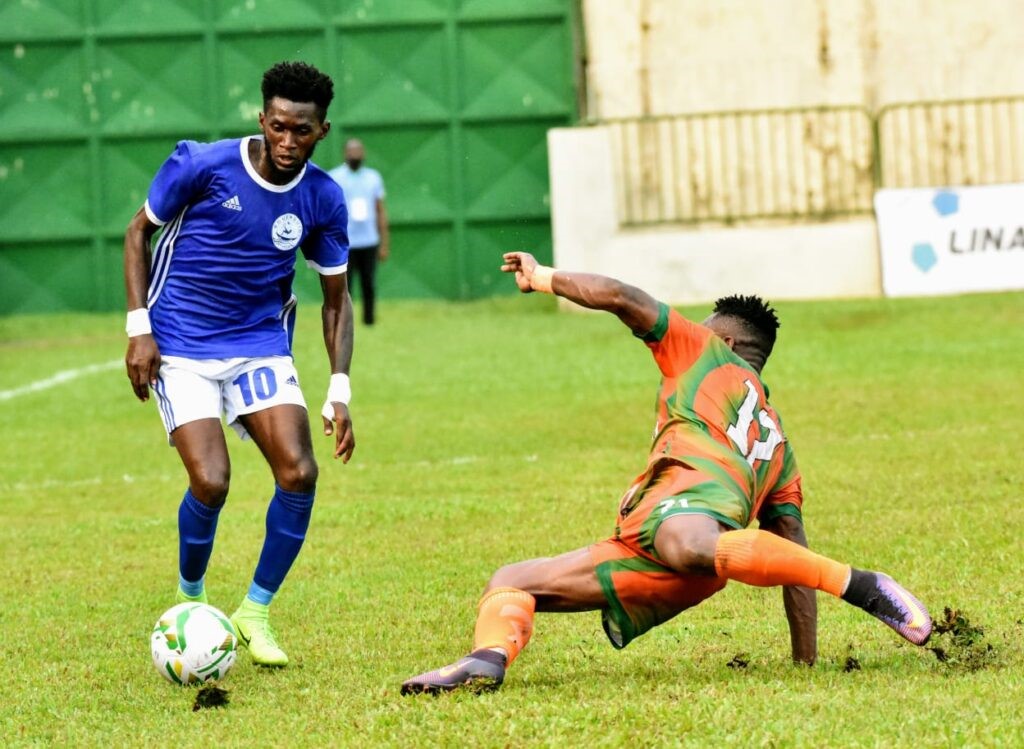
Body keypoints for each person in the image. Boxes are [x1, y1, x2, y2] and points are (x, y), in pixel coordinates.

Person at [401, 251, 932, 694]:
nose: (687, 331)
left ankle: (863, 585)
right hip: (660, 550)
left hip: (686, 524)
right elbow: (793, 557)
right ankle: (488, 659)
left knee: (685, 540)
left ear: (726, 341)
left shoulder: (701, 349)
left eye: (703, 327)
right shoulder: (780, 449)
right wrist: (805, 665)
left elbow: (619, 296)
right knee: (512, 581)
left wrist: (543, 278)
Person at [123, 61, 356, 668]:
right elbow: (136, 234)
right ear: (262, 119)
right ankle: (189, 602)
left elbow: (336, 300)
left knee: (300, 472)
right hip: (180, 346)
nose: (287, 142)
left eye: (301, 131)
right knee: (212, 481)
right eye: (278, 127)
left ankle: (254, 613)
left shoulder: (323, 198)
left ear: (321, 131)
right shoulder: (202, 166)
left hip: (259, 343)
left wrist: (339, 388)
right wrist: (138, 329)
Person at [327, 139, 389, 326]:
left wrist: (384, 242)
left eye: (358, 151)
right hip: (345, 242)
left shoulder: (373, 178)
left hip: (369, 240)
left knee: (368, 283)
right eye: (351, 151)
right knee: (345, 286)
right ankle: (346, 321)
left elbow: (380, 210)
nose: (355, 155)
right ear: (344, 153)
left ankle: (369, 320)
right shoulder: (335, 177)